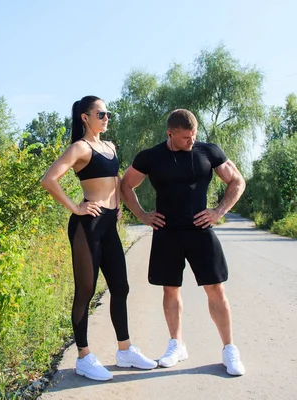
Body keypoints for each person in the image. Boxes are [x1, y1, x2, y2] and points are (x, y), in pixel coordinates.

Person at [120, 109, 246, 376]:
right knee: (170, 290)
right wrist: (142, 215)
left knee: (216, 289)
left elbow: (237, 180)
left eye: (194, 135)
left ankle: (229, 349)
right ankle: (176, 344)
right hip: (167, 232)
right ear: (170, 134)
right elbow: (125, 185)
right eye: (186, 137)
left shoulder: (207, 152)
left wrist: (219, 211)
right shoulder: (151, 157)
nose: (192, 140)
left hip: (200, 231)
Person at [41, 95, 157, 381]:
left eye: (108, 114)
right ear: (85, 117)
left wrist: (117, 206)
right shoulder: (80, 148)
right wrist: (76, 207)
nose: (107, 118)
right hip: (87, 225)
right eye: (101, 113)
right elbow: (49, 179)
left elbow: (116, 180)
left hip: (108, 224)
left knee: (121, 286)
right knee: (86, 290)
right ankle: (83, 356)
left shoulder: (110, 146)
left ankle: (125, 350)